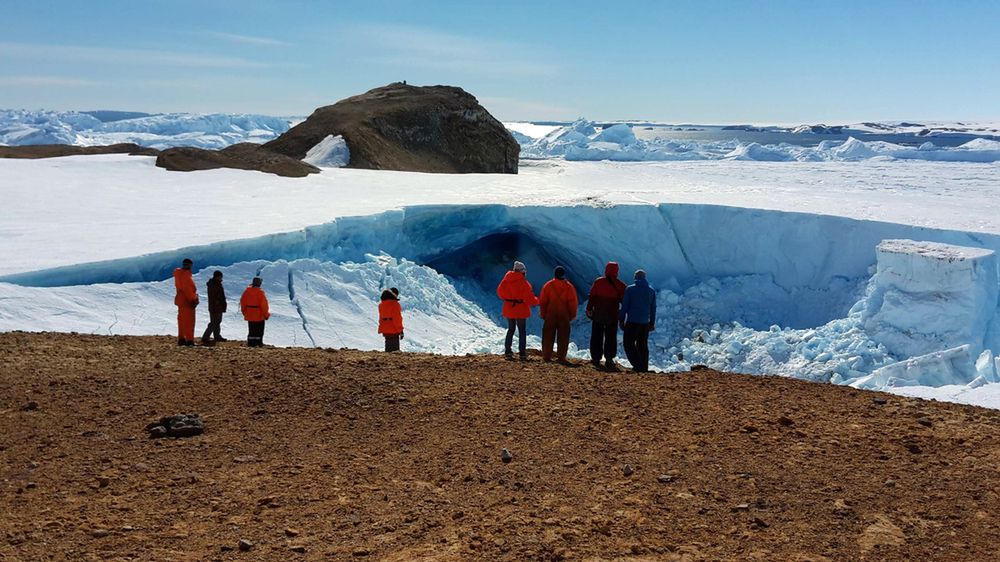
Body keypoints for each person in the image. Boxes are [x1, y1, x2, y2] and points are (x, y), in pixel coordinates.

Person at [586, 261, 626, 370]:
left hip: (598, 314)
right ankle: (609, 358)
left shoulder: (598, 282)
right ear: (616, 271)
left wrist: (589, 309)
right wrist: (622, 315)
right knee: (610, 338)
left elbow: (592, 296)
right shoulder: (620, 285)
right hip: (612, 316)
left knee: (596, 336)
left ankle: (595, 358)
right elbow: (625, 301)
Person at [496, 261, 538, 360]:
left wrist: (508, 299)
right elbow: (529, 299)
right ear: (522, 272)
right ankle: (522, 354)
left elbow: (500, 292)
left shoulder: (506, 280)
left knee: (511, 329)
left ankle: (508, 352)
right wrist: (538, 301)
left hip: (509, 307)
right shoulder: (524, 283)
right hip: (520, 309)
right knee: (522, 331)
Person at [619, 269, 657, 373]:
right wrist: (652, 323)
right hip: (644, 323)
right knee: (642, 345)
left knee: (628, 343)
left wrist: (621, 320)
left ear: (635, 278)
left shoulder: (630, 290)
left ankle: (637, 365)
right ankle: (644, 367)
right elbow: (653, 308)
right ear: (644, 278)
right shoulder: (651, 291)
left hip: (632, 322)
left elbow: (625, 306)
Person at [539, 265, 578, 363]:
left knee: (548, 335)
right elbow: (572, 302)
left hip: (550, 314)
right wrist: (572, 315)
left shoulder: (548, 285)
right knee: (563, 337)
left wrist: (543, 314)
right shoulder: (569, 287)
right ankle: (561, 357)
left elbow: (543, 301)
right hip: (563, 315)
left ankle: (546, 356)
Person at [173, 258, 199, 346]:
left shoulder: (178, 274)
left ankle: (181, 338)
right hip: (186, 300)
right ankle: (190, 340)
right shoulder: (186, 275)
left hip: (180, 299)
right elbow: (188, 289)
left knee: (182, 320)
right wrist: (193, 299)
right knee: (189, 321)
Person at [240, 277, 270, 347]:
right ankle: (258, 343)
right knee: (259, 331)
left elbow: (242, 303)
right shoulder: (260, 292)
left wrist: (245, 313)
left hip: (250, 314)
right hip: (259, 315)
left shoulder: (246, 292)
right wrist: (266, 315)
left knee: (251, 330)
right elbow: (264, 305)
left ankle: (251, 343)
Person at [200, 271, 227, 345]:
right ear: (217, 277)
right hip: (216, 306)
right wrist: (219, 302)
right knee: (214, 322)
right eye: (220, 276)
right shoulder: (214, 284)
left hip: (215, 306)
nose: (221, 278)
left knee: (217, 322)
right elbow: (215, 296)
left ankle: (217, 336)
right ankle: (206, 337)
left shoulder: (214, 284)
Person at [378, 288, 405, 352]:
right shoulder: (395, 304)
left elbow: (380, 319)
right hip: (393, 329)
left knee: (388, 349)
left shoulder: (381, 305)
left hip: (385, 329)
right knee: (394, 351)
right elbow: (397, 318)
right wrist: (400, 330)